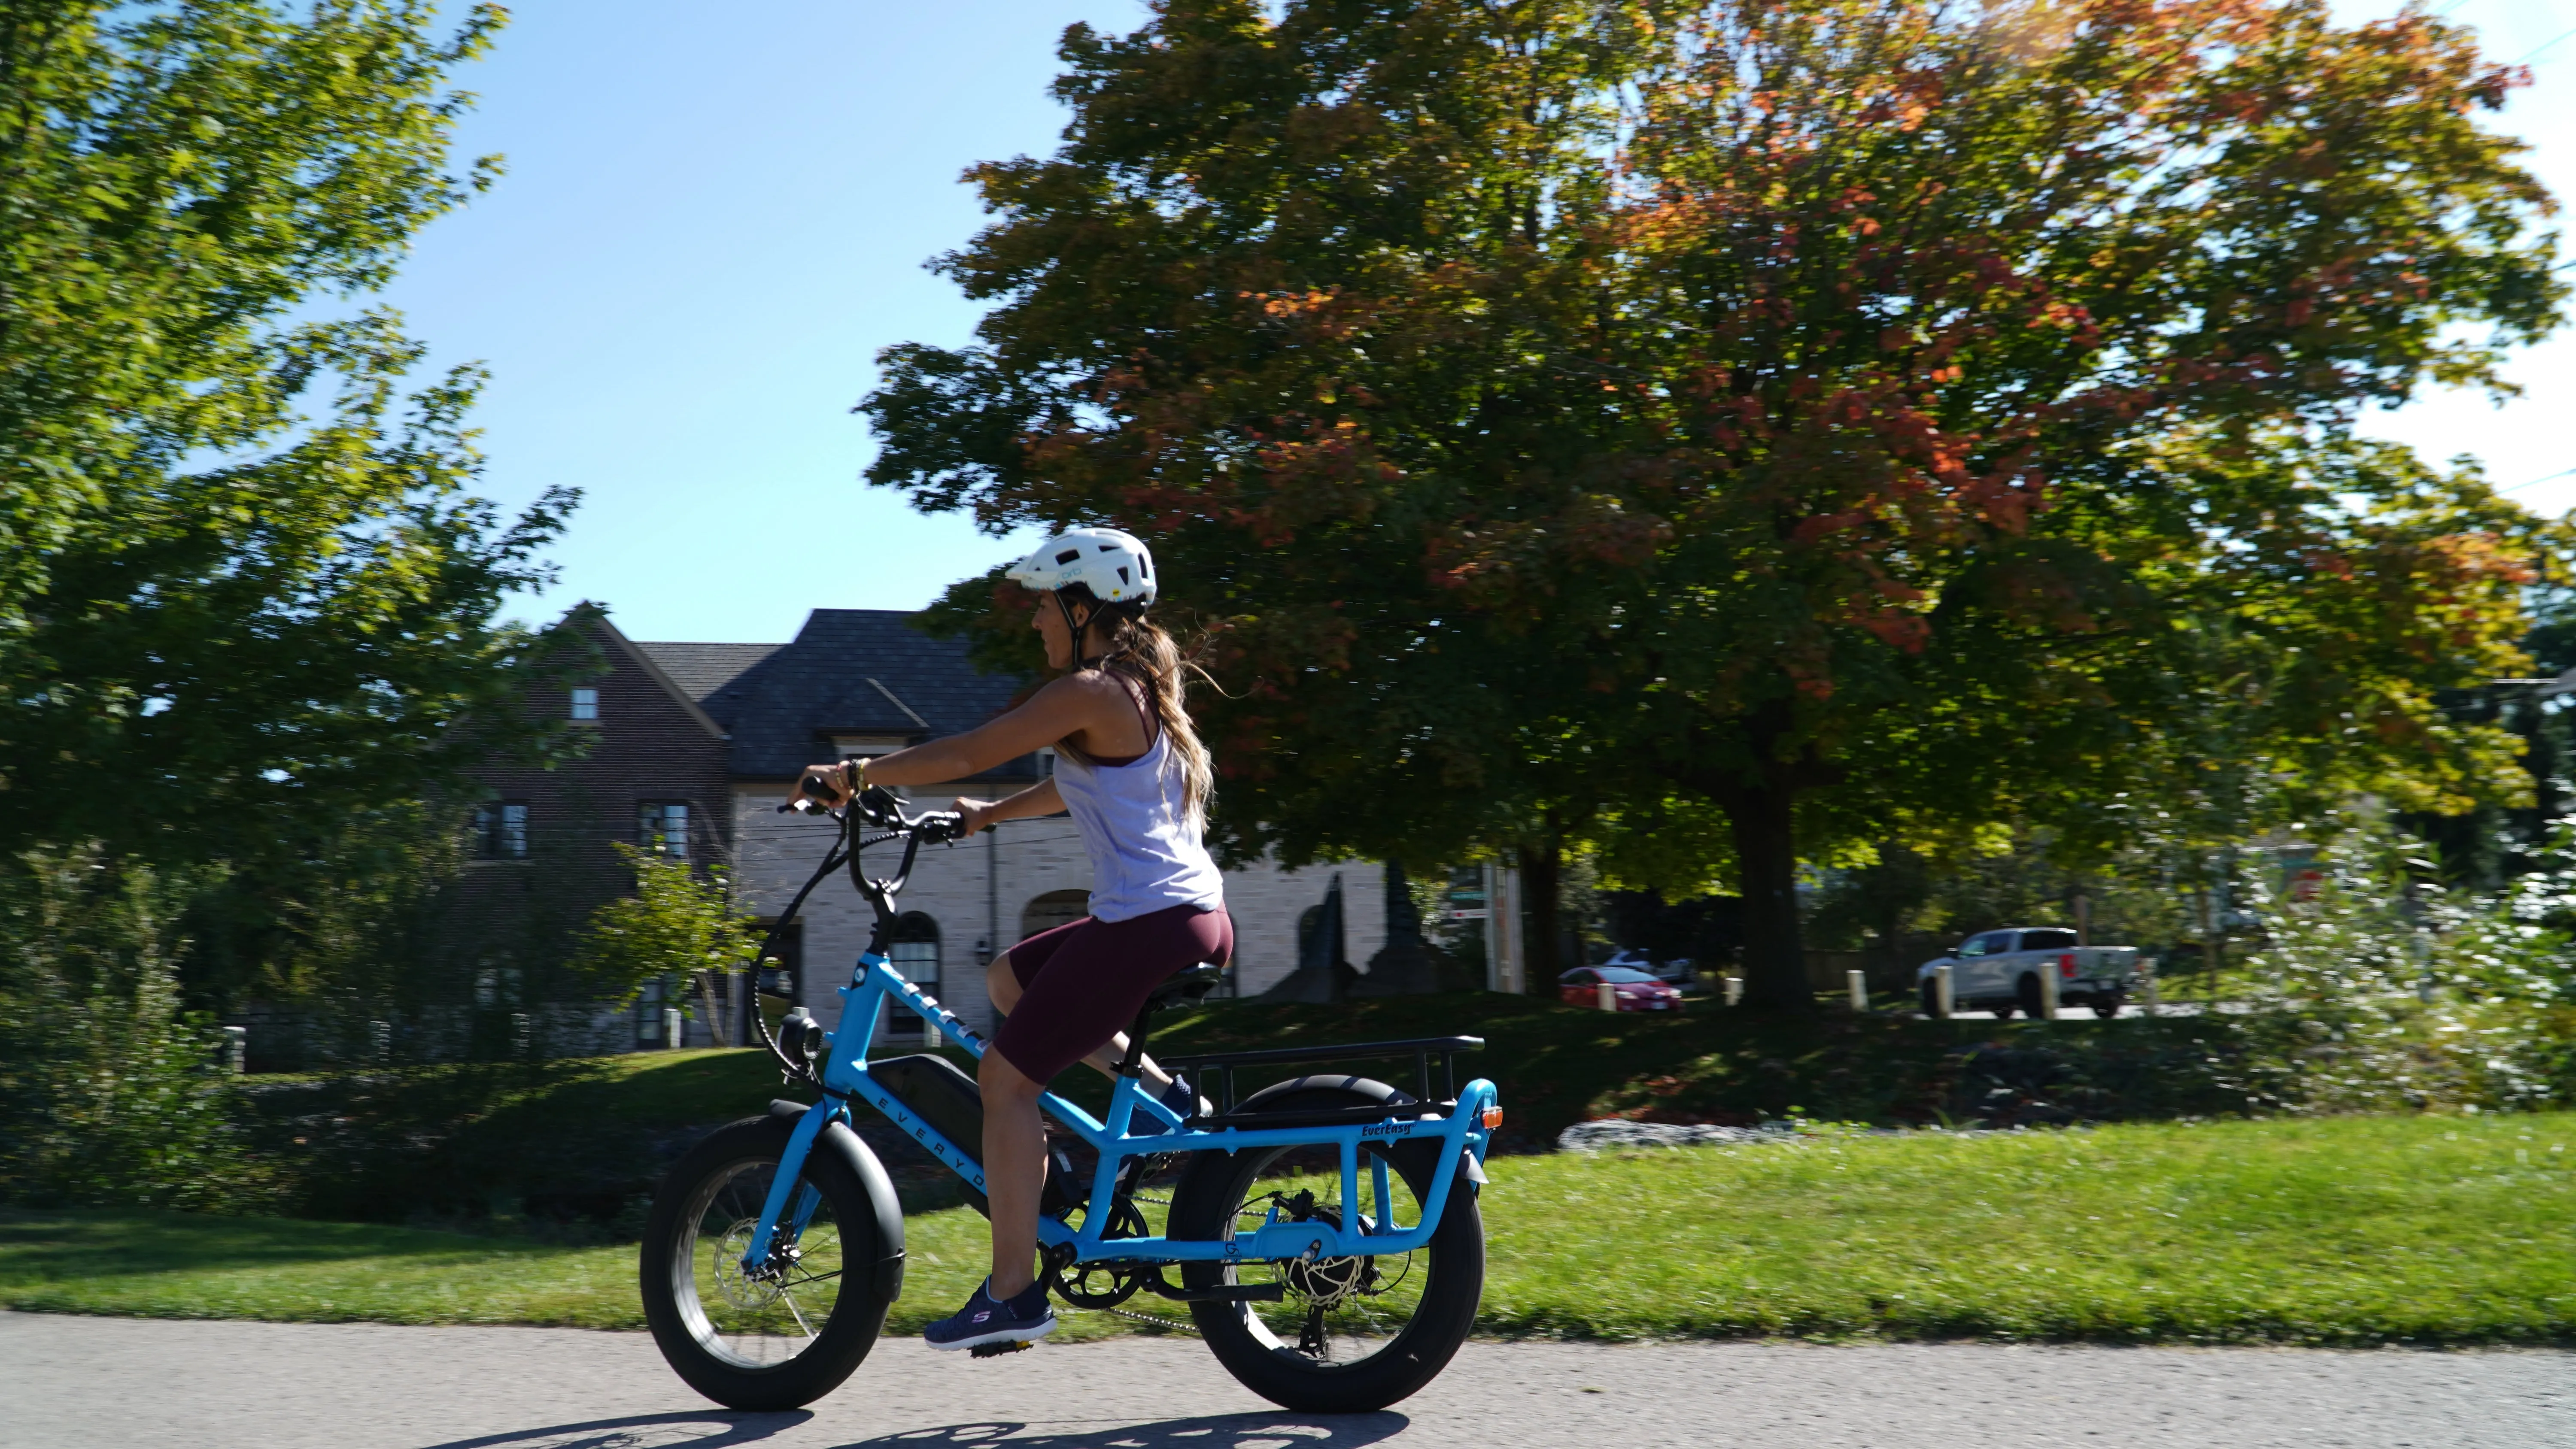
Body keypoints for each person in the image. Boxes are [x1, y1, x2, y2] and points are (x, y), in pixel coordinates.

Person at [790, 526, 1230, 1353]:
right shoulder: (1136, 690)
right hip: (1181, 913)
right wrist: (990, 818)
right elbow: (1077, 787)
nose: (1035, 624)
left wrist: (854, 776)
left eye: (1042, 607)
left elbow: (971, 750)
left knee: (1004, 1081)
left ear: (1081, 606)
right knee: (1008, 980)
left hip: (1150, 922)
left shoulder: (1095, 689)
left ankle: (1014, 1294)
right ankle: (1171, 1103)